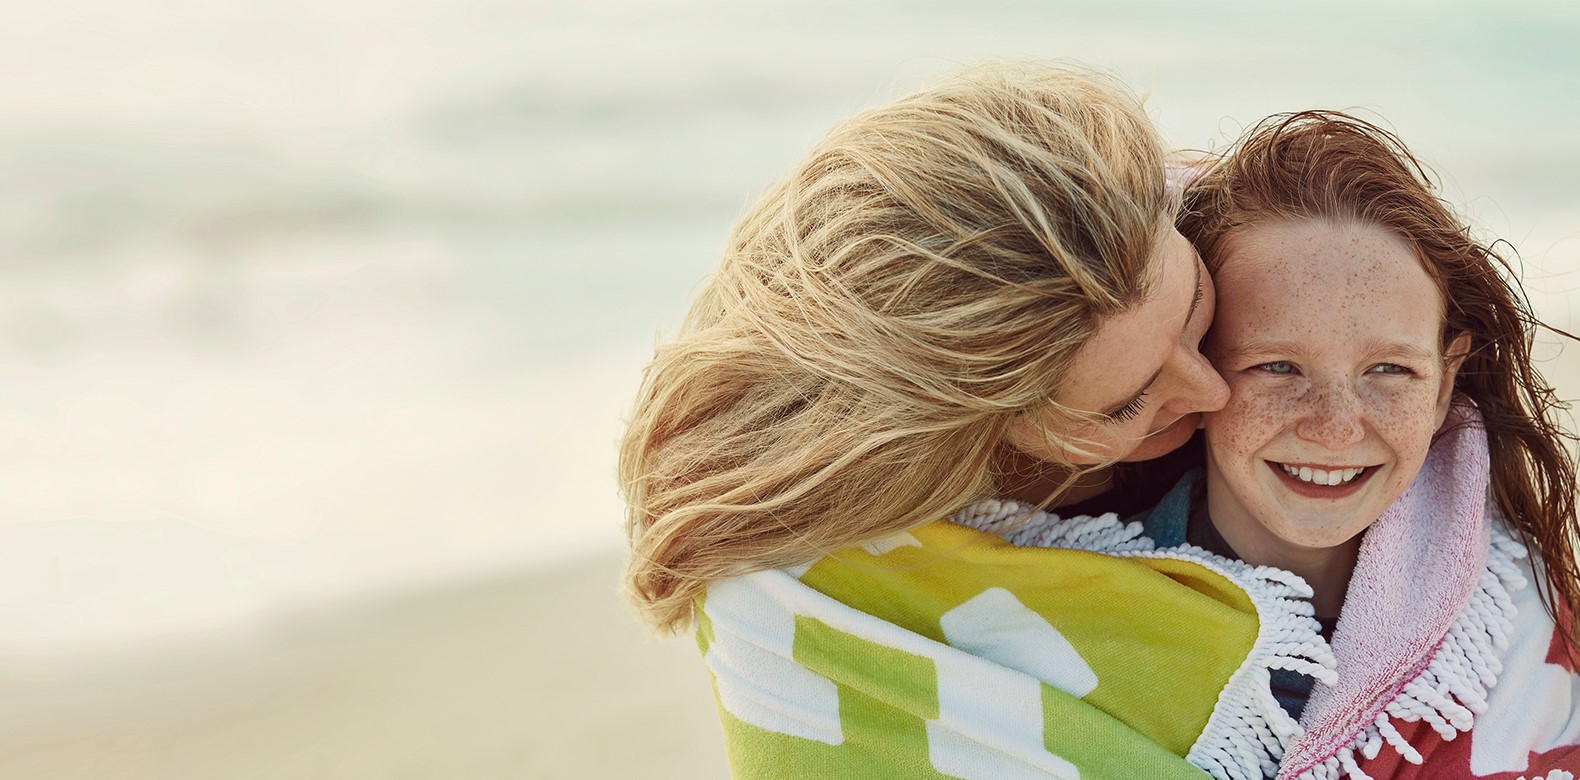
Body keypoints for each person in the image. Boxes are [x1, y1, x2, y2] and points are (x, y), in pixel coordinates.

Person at [619, 61, 1248, 778]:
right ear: (972, 430)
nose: (1213, 391)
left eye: (1195, 303)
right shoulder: (837, 562)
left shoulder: (1215, 224)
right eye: (1127, 404)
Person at [1141, 112, 1580, 777]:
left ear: (1443, 385)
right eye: (1276, 366)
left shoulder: (1528, 623)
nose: (1337, 427)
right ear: (1195, 371)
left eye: (1390, 370)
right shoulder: (1061, 601)